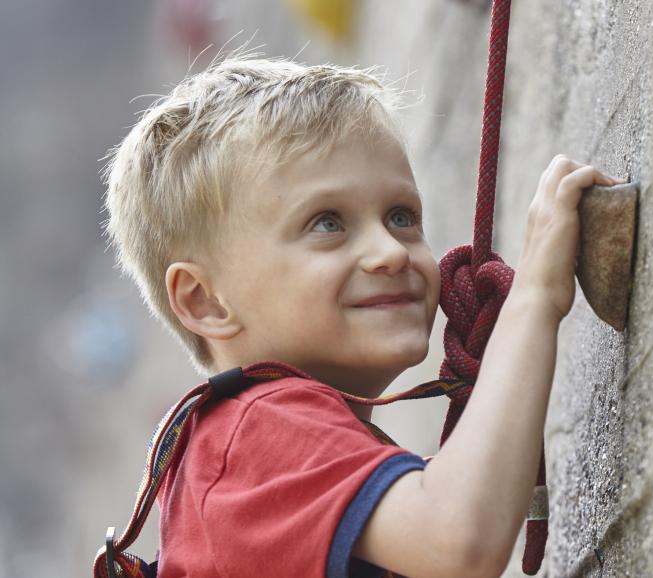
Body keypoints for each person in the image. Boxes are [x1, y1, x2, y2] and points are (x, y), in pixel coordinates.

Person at [103, 54, 624, 578]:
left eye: (401, 217)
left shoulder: (259, 455)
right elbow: (458, 540)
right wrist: (534, 295)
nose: (391, 252)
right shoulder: (255, 430)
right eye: (327, 223)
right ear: (204, 301)